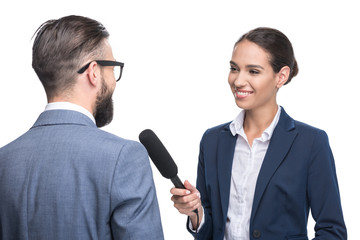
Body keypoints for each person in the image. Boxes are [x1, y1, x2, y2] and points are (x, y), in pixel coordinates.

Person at [170, 27, 347, 239]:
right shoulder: (212, 140)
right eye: (234, 68)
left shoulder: (310, 143)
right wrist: (195, 212)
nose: (238, 81)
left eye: (253, 71)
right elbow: (211, 231)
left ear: (281, 76)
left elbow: (332, 231)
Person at [0, 15, 164, 240]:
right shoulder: (124, 158)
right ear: (94, 72)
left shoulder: (4, 160)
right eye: (112, 68)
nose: (114, 80)